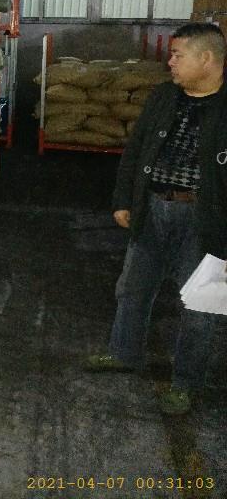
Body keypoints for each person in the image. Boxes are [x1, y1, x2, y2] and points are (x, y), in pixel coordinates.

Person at [85, 22, 227, 415]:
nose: (171, 63)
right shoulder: (164, 97)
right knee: (133, 289)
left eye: (178, 55)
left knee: (200, 307)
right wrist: (123, 199)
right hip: (153, 210)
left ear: (206, 58)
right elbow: (135, 151)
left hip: (205, 222)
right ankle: (123, 353)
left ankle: (185, 384)